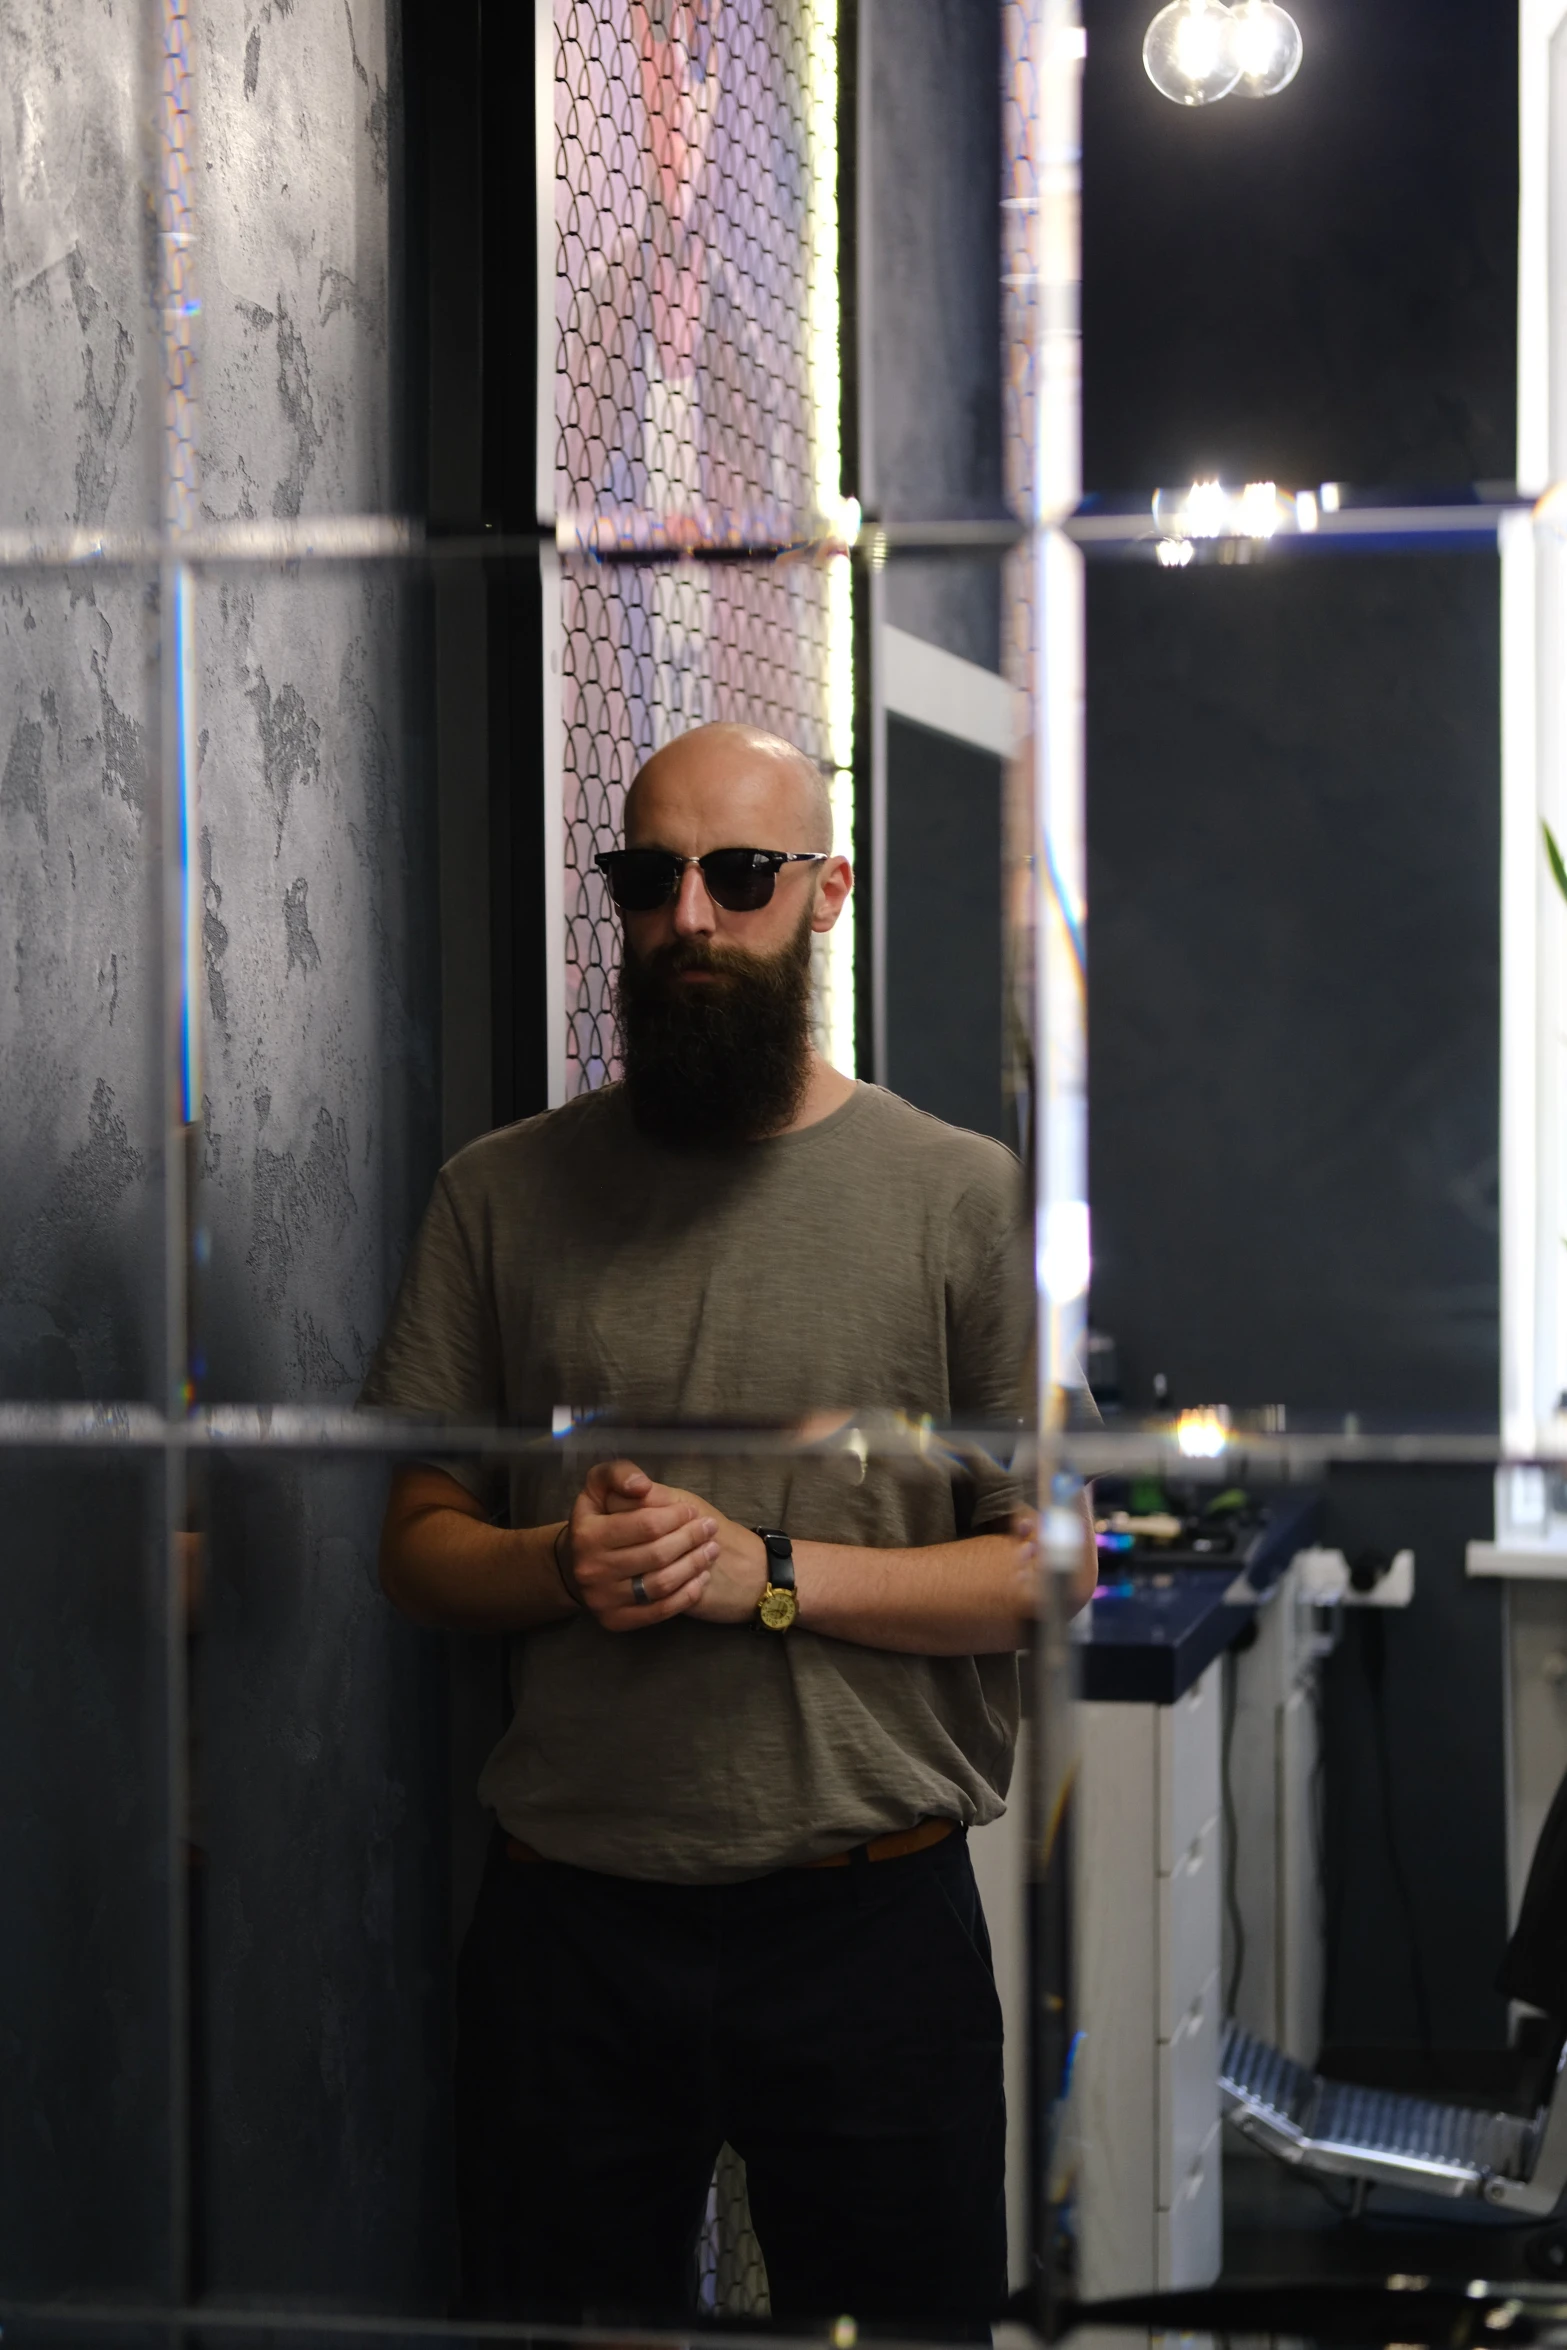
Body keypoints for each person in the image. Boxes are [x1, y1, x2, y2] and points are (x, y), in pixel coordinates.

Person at [362, 720, 1096, 2327]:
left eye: (739, 875)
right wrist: (558, 1558)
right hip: (569, 1929)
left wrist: (761, 1574)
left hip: (868, 1923)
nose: (689, 915)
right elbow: (415, 1537)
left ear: (824, 893)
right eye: (647, 876)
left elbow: (1052, 1564)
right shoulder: (497, 1194)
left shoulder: (961, 1196)